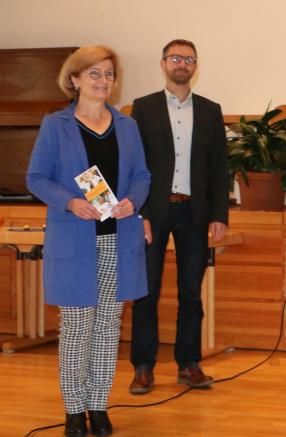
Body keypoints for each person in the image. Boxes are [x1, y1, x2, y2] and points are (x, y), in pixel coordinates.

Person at [26, 45, 152, 437]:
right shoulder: (56, 124)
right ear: (75, 79)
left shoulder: (127, 125)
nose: (102, 81)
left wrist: (134, 200)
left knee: (108, 327)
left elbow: (143, 175)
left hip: (119, 236)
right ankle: (73, 410)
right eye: (94, 73)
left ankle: (99, 406)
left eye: (109, 74)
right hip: (75, 239)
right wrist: (71, 203)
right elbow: (36, 178)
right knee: (77, 326)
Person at [128, 39, 230, 394]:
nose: (182, 63)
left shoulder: (210, 110)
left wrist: (220, 214)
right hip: (153, 212)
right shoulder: (143, 108)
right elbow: (134, 165)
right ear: (163, 63)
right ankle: (143, 366)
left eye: (189, 58)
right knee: (146, 292)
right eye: (176, 58)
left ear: (196, 65)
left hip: (195, 211)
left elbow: (220, 166)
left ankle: (189, 363)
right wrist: (137, 213)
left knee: (191, 292)